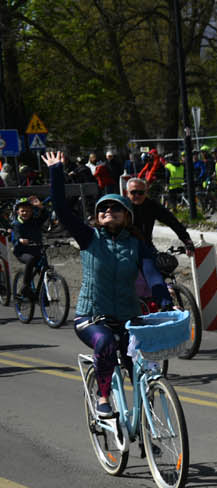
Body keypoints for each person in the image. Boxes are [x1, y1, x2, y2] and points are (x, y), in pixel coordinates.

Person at [44, 150, 169, 418]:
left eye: (115, 208)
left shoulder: (138, 246)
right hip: (91, 317)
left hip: (127, 316)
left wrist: (163, 296)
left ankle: (147, 422)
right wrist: (55, 171)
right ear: (98, 217)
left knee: (145, 364)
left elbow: (153, 275)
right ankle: (103, 397)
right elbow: (61, 208)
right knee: (105, 344)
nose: (108, 211)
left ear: (126, 216)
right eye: (103, 209)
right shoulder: (89, 238)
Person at [123, 176, 196, 256]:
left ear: (146, 193)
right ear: (127, 192)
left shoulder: (151, 206)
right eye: (133, 192)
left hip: (146, 247)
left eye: (141, 193)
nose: (137, 195)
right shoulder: (120, 206)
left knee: (155, 266)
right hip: (123, 248)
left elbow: (172, 222)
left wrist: (187, 241)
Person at [9, 196, 47, 298]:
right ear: (18, 212)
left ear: (31, 211)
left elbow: (45, 216)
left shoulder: (34, 221)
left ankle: (43, 295)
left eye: (28, 211)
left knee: (44, 270)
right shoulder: (16, 224)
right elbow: (16, 235)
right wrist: (21, 240)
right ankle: (25, 287)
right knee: (30, 260)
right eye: (22, 211)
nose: (25, 213)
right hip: (22, 251)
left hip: (36, 250)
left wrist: (41, 207)